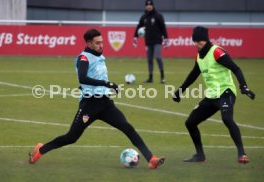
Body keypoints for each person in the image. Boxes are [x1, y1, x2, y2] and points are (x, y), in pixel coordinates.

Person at [29, 29, 165, 169]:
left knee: (128, 128)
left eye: (102, 42)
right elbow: (83, 77)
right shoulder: (84, 58)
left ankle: (151, 159)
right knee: (71, 137)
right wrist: (107, 83)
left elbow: (99, 78)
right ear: (88, 43)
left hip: (106, 104)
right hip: (89, 105)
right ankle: (40, 150)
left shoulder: (99, 56)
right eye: (97, 43)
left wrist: (109, 87)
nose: (101, 45)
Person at [172, 26, 255, 164]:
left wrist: (243, 86)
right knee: (190, 122)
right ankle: (200, 156)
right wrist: (180, 90)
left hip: (226, 92)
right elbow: (193, 75)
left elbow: (236, 68)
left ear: (206, 40)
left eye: (200, 41)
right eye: (196, 41)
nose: (197, 44)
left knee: (227, 119)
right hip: (212, 95)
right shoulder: (199, 56)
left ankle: (242, 154)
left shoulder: (216, 52)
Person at [133, 0, 169, 83]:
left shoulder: (158, 16)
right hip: (148, 41)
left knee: (158, 57)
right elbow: (139, 27)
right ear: (145, 6)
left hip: (157, 41)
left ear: (153, 6)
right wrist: (135, 37)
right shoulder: (144, 17)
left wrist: (166, 39)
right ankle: (150, 78)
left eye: (150, 5)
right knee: (149, 60)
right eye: (147, 5)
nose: (149, 6)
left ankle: (162, 77)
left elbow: (163, 28)